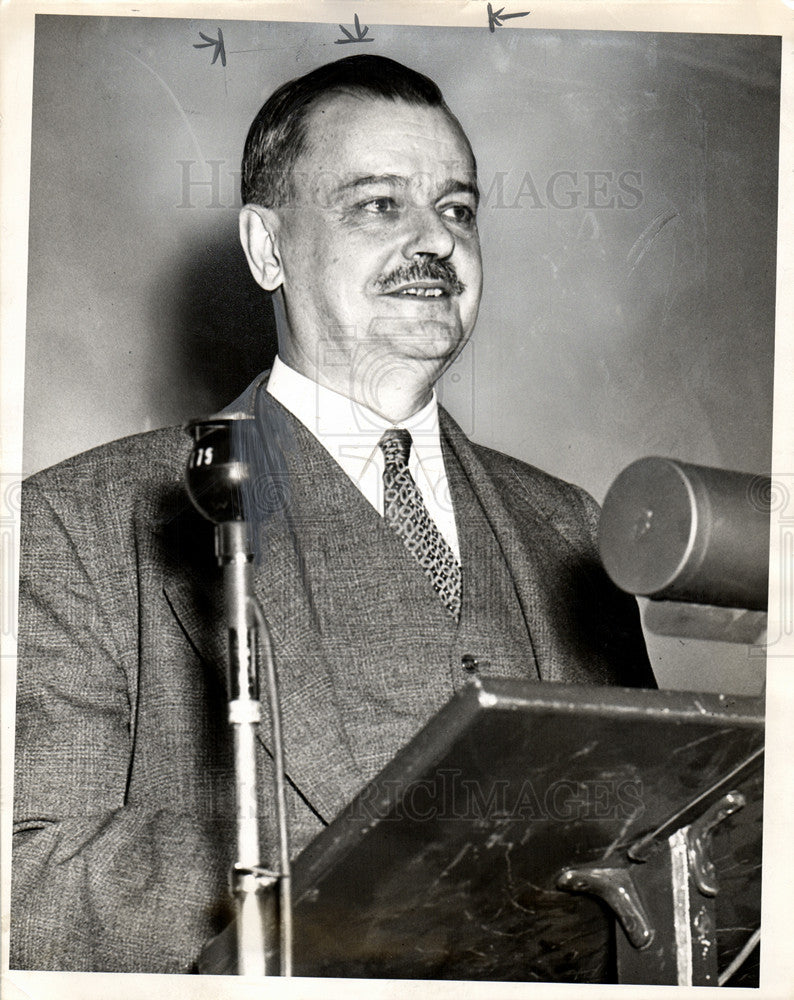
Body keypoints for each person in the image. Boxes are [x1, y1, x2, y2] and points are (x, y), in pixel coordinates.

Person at [11, 54, 654, 975]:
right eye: (379, 205)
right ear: (267, 248)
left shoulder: (570, 529)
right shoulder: (79, 526)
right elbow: (23, 877)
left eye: (458, 209)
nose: (435, 241)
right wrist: (327, 878)